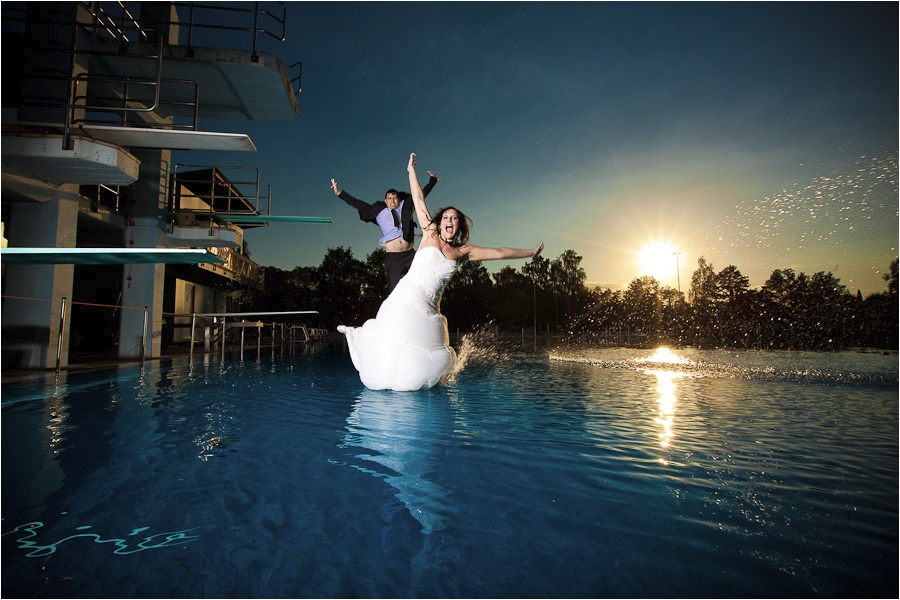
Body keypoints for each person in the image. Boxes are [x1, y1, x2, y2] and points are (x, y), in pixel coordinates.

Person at [338, 153, 544, 391]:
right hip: (404, 298)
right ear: (440, 221)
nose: (449, 220)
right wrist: (410, 171)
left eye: (454, 219)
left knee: (422, 370)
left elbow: (498, 252)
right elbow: (417, 198)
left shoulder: (463, 252)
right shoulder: (430, 233)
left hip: (429, 310)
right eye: (446, 216)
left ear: (458, 226)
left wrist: (529, 252)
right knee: (389, 353)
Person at [330, 170, 440, 293]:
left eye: (395, 198)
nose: (392, 201)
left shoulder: (405, 205)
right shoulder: (378, 210)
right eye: (389, 199)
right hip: (393, 257)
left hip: (410, 254)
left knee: (420, 284)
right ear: (385, 200)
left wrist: (432, 181)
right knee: (394, 290)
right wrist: (340, 193)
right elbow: (358, 204)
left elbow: (420, 196)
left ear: (398, 199)